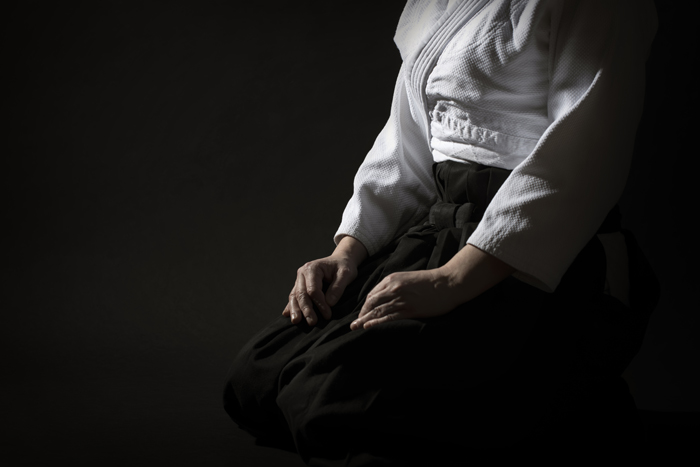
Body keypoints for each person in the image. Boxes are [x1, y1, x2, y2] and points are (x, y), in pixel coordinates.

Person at [224, 0, 660, 465]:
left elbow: (583, 159)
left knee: (336, 403)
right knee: (257, 379)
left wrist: (453, 281)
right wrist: (348, 250)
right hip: (443, 230)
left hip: (536, 254)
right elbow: (406, 143)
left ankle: (573, 398)